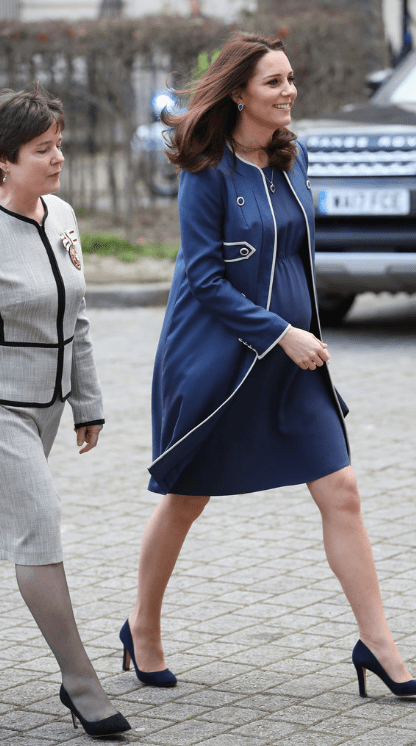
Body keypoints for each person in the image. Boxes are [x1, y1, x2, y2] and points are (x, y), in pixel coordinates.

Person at [120, 33, 416, 699]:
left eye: (290, 79)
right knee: (187, 497)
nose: (289, 91)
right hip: (218, 359)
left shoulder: (295, 156)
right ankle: (141, 626)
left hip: (295, 361)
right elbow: (204, 280)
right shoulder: (206, 170)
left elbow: (295, 251)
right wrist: (279, 332)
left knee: (342, 490)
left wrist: (300, 333)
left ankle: (378, 643)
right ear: (239, 93)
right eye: (273, 82)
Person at [0, 86, 131, 736]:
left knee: (22, 528)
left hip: (48, 407)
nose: (57, 159)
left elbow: (76, 316)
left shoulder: (62, 215)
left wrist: (88, 400)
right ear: (3, 161)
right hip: (2, 408)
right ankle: (81, 683)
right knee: (39, 528)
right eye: (41, 149)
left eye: (59, 145)